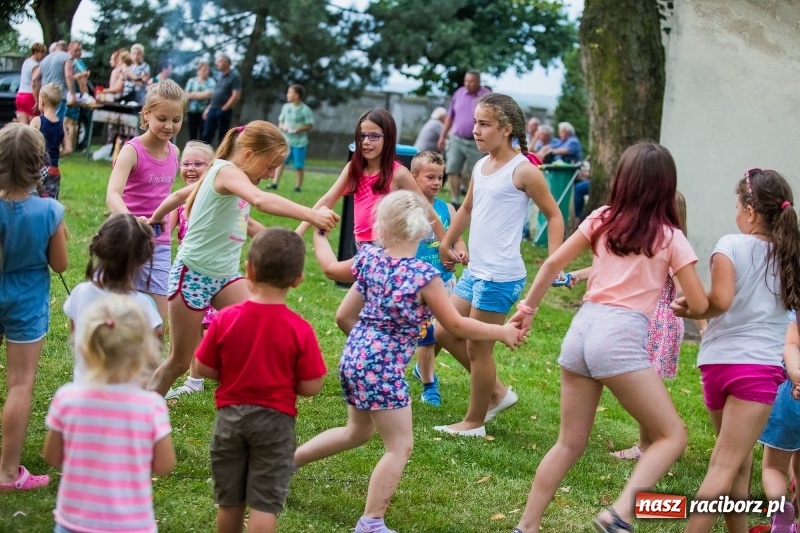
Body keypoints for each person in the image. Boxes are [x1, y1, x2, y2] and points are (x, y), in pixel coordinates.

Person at [507, 141, 708, 533]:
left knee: (568, 444)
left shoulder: (601, 217)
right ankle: (620, 513)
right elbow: (697, 303)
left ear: (624, 180)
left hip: (582, 329)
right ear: (666, 187)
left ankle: (526, 527)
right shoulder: (671, 236)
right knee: (671, 436)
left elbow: (551, 263)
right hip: (619, 335)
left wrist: (526, 310)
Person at [294, 190, 523, 533]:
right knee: (400, 445)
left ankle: (284, 464)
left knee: (356, 431)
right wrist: (501, 331)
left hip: (354, 358)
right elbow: (457, 325)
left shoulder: (368, 259)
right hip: (382, 370)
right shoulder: (423, 277)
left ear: (380, 229)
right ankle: (370, 522)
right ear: (423, 233)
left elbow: (332, 279)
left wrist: (319, 232)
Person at [144, 120, 339, 397]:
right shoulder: (225, 171)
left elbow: (189, 198)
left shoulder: (233, 180)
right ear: (248, 154)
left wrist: (284, 242)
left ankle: (262, 384)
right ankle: (144, 409)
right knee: (177, 361)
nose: (273, 173)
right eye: (270, 165)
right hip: (192, 275)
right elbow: (261, 200)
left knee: (265, 321)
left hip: (225, 277)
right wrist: (311, 214)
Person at [672, 168, 800, 533]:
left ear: (751, 211)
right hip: (755, 372)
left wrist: (693, 307)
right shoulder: (791, 255)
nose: (734, 214)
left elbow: (717, 303)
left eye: (736, 205)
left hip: (716, 366)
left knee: (737, 461)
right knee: (725, 464)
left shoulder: (729, 245)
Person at [433, 93, 564, 438]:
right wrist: (447, 241)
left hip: (501, 276)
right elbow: (466, 209)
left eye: (484, 124)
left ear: (506, 129)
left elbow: (554, 216)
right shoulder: (480, 165)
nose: (475, 130)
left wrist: (554, 260)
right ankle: (497, 392)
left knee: (478, 347)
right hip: (476, 271)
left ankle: (474, 422)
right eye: (475, 122)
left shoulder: (524, 171)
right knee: (445, 329)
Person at [194, 228, 327, 533]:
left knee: (230, 502)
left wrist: (228, 373)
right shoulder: (300, 328)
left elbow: (201, 366)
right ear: (298, 279)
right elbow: (311, 386)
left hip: (230, 419)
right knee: (264, 503)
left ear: (248, 271)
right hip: (276, 424)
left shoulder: (225, 318)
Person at [44, 294, 175, 532]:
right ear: (146, 353)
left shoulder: (66, 398)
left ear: (84, 346)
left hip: (74, 522)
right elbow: (164, 465)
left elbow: (53, 457)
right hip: (132, 523)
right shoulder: (151, 406)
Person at [0, 123, 68, 491]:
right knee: (20, 384)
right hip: (26, 301)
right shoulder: (49, 210)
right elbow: (59, 265)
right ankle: (8, 473)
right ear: (39, 164)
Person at [106, 79, 186, 321]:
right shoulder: (132, 151)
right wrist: (132, 221)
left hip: (158, 243)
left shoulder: (175, 152)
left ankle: (146, 359)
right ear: (147, 114)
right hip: (125, 239)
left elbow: (168, 197)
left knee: (157, 319)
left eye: (176, 119)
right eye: (162, 118)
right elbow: (112, 194)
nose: (169, 126)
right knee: (117, 310)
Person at [63, 214, 163, 382]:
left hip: (84, 392)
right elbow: (151, 361)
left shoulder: (80, 293)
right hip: (128, 401)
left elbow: (76, 340)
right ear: (143, 258)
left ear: (100, 247)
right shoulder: (145, 306)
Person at [408, 150, 462, 407]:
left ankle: (422, 369)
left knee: (437, 332)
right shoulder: (406, 208)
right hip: (416, 286)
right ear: (413, 177)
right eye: (430, 177)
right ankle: (430, 386)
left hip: (443, 281)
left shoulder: (448, 209)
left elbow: (456, 239)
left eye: (440, 177)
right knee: (427, 334)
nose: (437, 182)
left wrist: (459, 252)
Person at [164, 140, 217, 399]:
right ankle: (195, 380)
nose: (191, 168)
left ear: (213, 167)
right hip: (189, 275)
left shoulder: (219, 199)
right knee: (195, 330)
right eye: (186, 163)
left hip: (217, 274)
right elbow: (163, 232)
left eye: (198, 163)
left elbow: (249, 225)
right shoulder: (179, 202)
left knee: (215, 330)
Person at [758, 311, 800, 533]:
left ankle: (781, 510)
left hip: (791, 395)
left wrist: (796, 375)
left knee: (774, 467)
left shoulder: (792, 311)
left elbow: (790, 343)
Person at [437, 70, 491, 206]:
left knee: (476, 173)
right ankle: (455, 200)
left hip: (476, 141)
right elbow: (450, 116)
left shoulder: (486, 96)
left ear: (478, 82)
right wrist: (443, 136)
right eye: (466, 81)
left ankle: (475, 201)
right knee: (452, 168)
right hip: (457, 138)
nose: (468, 84)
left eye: (471, 81)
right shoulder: (459, 93)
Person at [271, 83, 314, 192]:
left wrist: (298, 129)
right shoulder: (286, 107)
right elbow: (281, 121)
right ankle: (274, 183)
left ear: (297, 95)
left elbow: (309, 125)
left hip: (299, 142)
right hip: (286, 141)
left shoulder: (305, 110)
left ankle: (298, 187)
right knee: (280, 162)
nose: (287, 94)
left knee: (298, 166)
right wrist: (282, 127)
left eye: (290, 92)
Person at [30, 83, 70, 199]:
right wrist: (55, 154)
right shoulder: (61, 124)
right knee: (50, 201)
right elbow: (68, 149)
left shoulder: (37, 121)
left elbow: (28, 144)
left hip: (38, 167)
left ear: (41, 101)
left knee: (33, 197)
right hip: (54, 169)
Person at [202, 54, 241, 146]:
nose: (216, 63)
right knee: (207, 133)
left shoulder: (235, 76)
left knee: (222, 135)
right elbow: (215, 95)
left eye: (219, 61)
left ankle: (221, 157)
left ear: (226, 63)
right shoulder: (219, 76)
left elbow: (236, 95)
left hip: (223, 110)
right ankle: (205, 154)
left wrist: (224, 109)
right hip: (213, 108)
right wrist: (208, 109)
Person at [32, 40, 74, 122]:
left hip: (44, 94)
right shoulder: (67, 56)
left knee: (44, 122)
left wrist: (37, 98)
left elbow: (34, 79)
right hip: (58, 95)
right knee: (56, 122)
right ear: (66, 48)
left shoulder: (45, 59)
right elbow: (68, 75)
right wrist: (72, 94)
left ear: (56, 47)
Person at [15, 43, 46, 125]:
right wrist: (37, 100)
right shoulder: (36, 65)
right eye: (42, 52)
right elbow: (34, 83)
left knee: (23, 125)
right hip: (30, 96)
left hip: (20, 95)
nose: (43, 55)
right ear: (36, 52)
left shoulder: (26, 62)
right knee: (33, 125)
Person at [185, 60, 216, 140]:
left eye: (207, 70)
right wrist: (202, 94)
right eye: (204, 70)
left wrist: (194, 94)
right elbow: (186, 95)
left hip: (205, 112)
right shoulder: (192, 81)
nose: (206, 72)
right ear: (199, 70)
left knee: (203, 135)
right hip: (192, 111)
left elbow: (210, 94)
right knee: (192, 134)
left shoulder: (211, 81)